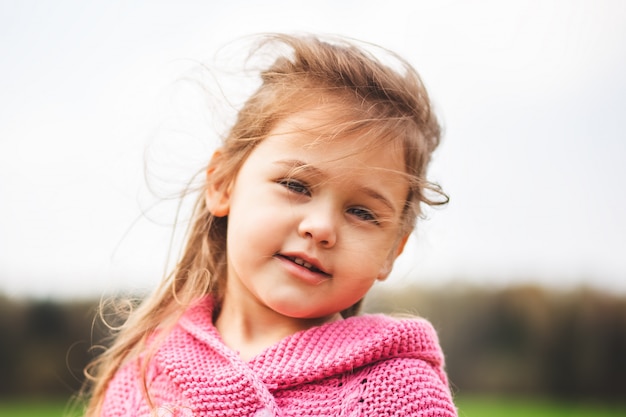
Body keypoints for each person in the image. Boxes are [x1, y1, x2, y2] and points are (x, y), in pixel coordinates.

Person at [82, 33, 457, 416]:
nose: (321, 227)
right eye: (295, 185)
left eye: (362, 212)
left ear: (393, 249)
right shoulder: (143, 377)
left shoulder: (400, 394)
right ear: (223, 183)